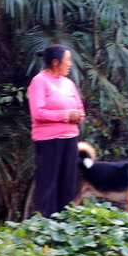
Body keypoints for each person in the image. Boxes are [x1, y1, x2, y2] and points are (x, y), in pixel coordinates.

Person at [27, 44, 85, 218]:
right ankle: (46, 224)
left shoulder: (69, 83)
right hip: (48, 140)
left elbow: (80, 108)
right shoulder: (39, 81)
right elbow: (38, 113)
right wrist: (66, 115)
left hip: (71, 139)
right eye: (67, 60)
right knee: (48, 183)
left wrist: (77, 116)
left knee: (68, 183)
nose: (70, 64)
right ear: (55, 62)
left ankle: (65, 224)